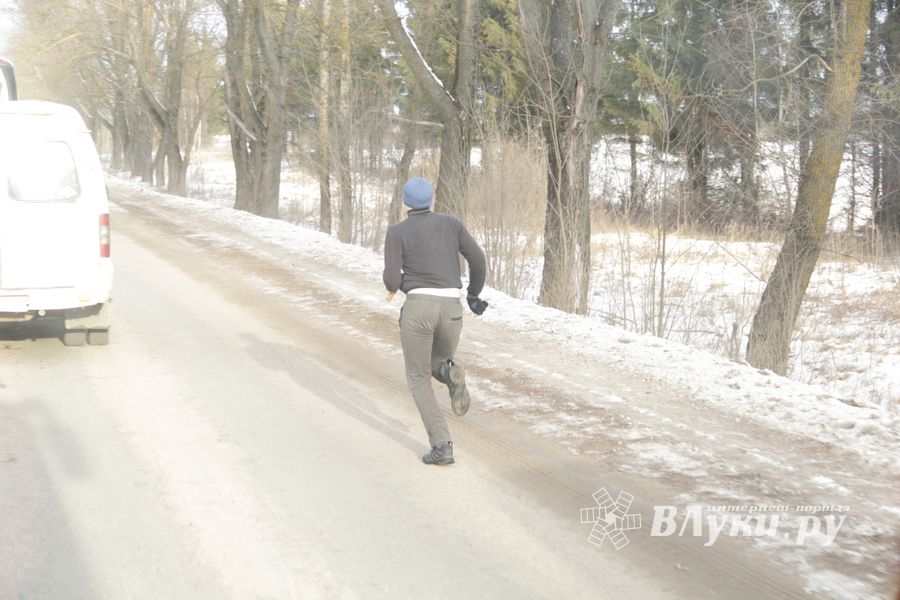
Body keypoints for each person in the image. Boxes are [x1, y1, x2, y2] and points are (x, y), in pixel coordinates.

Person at [383, 177, 488, 466]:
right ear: (430, 200)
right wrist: (473, 294)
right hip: (452, 309)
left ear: (406, 202)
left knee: (418, 377)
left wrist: (408, 282)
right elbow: (477, 260)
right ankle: (449, 372)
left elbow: (391, 280)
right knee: (436, 362)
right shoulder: (451, 223)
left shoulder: (397, 232)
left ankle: (441, 444)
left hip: (419, 309)